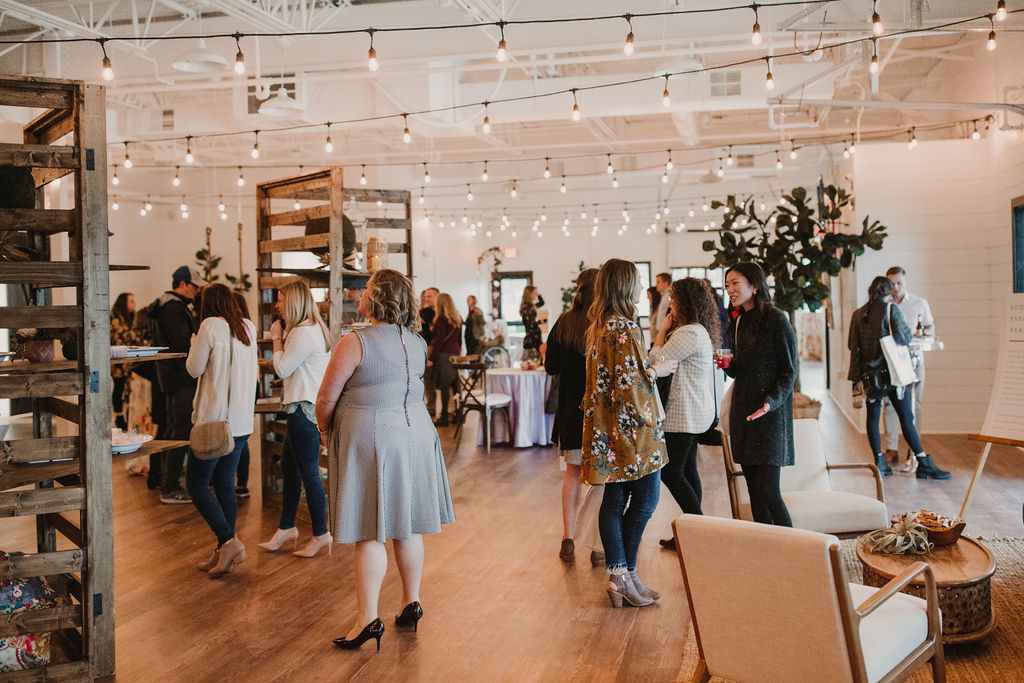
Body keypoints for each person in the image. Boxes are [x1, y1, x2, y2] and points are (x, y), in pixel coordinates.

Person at [316, 269, 455, 650]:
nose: (361, 292)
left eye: (367, 288)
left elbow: (326, 398)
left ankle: (367, 619)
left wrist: (324, 430)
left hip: (373, 437)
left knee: (370, 529)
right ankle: (411, 603)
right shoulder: (416, 340)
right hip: (416, 434)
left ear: (375, 297)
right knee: (406, 524)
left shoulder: (355, 341)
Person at [582, 259, 675, 608]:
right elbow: (630, 383)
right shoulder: (624, 327)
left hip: (608, 427)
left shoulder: (601, 326)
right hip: (632, 431)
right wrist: (656, 369)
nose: (641, 288)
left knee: (616, 499)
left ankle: (625, 574)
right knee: (646, 500)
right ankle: (623, 574)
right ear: (624, 286)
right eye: (637, 282)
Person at [184, 283, 258, 577]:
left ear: (206, 305)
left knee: (197, 484)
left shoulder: (209, 326)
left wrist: (193, 341)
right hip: (240, 422)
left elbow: (193, 368)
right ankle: (223, 550)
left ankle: (228, 541)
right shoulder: (248, 327)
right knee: (225, 484)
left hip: (214, 421)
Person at [848, 276, 950, 480]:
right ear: (888, 292)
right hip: (893, 376)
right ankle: (923, 462)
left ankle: (879, 462)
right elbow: (904, 338)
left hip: (871, 377)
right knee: (906, 418)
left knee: (873, 417)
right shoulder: (890, 309)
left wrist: (856, 377)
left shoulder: (858, 314)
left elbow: (853, 345)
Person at [718, 262, 796, 527]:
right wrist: (729, 365)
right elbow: (741, 371)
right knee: (754, 492)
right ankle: (766, 550)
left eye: (735, 283)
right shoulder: (739, 321)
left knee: (769, 491)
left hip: (770, 416)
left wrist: (770, 403)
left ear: (754, 284)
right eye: (727, 284)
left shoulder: (777, 319)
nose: (730, 289)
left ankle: (797, 551)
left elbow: (789, 372)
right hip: (745, 415)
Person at [258, 280, 333, 557]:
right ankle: (287, 528)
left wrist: (275, 337)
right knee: (289, 468)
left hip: (304, 410)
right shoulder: (310, 328)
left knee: (309, 473)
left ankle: (320, 533)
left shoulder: (301, 332)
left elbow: (282, 368)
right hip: (303, 408)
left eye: (280, 300)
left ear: (293, 302)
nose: (276, 305)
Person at [651, 279, 720, 549]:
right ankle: (693, 532)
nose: (671, 304)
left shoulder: (688, 332)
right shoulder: (696, 330)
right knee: (688, 470)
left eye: (674, 300)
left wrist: (660, 332)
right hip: (692, 412)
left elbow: (656, 360)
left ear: (686, 303)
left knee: (671, 472)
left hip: (683, 414)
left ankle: (699, 530)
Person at [545, 268, 603, 566]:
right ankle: (597, 544)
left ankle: (568, 539)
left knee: (572, 475)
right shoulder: (606, 323)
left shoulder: (564, 323)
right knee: (601, 480)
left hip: (570, 411)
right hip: (600, 413)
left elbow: (551, 366)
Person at [148, 265, 206, 504]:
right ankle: (170, 487)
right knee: (179, 430)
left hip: (171, 377)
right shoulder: (172, 308)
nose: (197, 291)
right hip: (179, 377)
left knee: (170, 428)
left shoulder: (169, 305)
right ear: (182, 284)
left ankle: (160, 479)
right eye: (194, 286)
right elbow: (182, 342)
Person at [883, 266, 935, 473]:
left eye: (899, 283)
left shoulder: (920, 304)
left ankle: (914, 449)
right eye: (892, 284)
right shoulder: (884, 306)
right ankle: (891, 447)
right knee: (890, 406)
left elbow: (930, 328)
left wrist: (921, 334)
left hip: (915, 360)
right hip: (892, 363)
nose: (895, 287)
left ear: (905, 283)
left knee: (915, 405)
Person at [428, 293, 463, 427]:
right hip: (455, 354)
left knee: (443, 387)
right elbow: (460, 340)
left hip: (444, 355)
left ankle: (443, 417)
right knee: (455, 386)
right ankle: (458, 415)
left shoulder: (441, 319)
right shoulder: (457, 319)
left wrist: (432, 359)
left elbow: (439, 342)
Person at [110, 292, 141, 431]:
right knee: (118, 386)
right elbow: (111, 338)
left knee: (126, 388)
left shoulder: (130, 319)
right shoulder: (114, 318)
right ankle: (119, 415)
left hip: (128, 360)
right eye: (131, 301)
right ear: (124, 303)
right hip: (116, 359)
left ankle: (126, 414)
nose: (134, 304)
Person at [232, 292, 252, 499]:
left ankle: (236, 482)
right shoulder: (249, 328)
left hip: (239, 385)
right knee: (243, 435)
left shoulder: (234, 330)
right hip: (250, 384)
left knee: (239, 436)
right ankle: (242, 483)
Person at [419, 287, 439, 417]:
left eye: (430, 296)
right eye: (426, 296)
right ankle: (430, 408)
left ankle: (439, 410)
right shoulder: (425, 312)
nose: (427, 299)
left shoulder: (434, 313)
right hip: (426, 350)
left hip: (437, 351)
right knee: (428, 382)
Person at [520, 285, 543, 352]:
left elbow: (541, 303)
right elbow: (530, 324)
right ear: (530, 294)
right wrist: (539, 322)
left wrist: (539, 294)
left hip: (534, 337)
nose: (536, 294)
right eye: (535, 292)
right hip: (532, 338)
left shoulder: (531, 305)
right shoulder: (527, 306)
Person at [649, 272, 672, 341]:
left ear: (666, 282)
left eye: (658, 282)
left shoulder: (670, 295)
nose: (656, 285)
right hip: (660, 330)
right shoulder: (663, 295)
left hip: (665, 331)